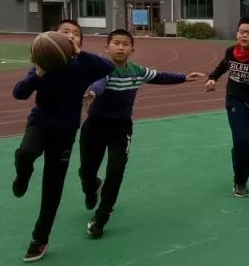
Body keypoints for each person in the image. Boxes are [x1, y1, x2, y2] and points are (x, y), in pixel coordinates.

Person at [79, 29, 205, 238]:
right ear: (106, 48)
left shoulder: (137, 71)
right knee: (87, 171)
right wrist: (92, 93)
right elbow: (99, 84)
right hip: (94, 127)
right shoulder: (101, 69)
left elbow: (160, 76)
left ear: (132, 50)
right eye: (116, 43)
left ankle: (101, 217)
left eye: (125, 44)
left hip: (120, 128)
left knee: (116, 169)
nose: (120, 47)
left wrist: (184, 77)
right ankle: (91, 186)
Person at [12, 19, 115, 263]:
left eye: (76, 34)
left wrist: (81, 53)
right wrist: (38, 74)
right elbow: (19, 93)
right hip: (40, 123)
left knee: (53, 187)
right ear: (52, 37)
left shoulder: (83, 64)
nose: (70, 36)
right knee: (26, 153)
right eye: (64, 32)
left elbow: (108, 67)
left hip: (65, 132)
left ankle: (40, 239)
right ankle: (23, 174)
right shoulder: (44, 62)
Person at [205, 17, 249, 198]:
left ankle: (241, 148)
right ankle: (240, 181)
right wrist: (212, 77)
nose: (244, 35)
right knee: (242, 141)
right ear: (237, 34)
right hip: (235, 101)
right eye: (241, 32)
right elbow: (223, 65)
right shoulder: (231, 52)